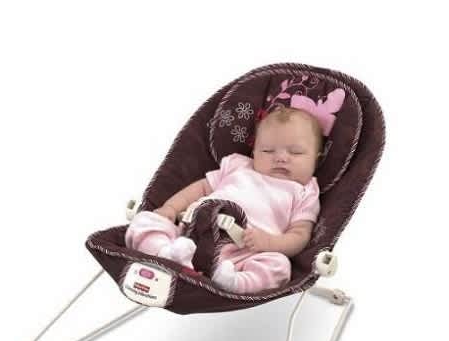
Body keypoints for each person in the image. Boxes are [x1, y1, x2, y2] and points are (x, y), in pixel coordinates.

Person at [125, 105, 324, 293]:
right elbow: (201, 188)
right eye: (268, 151)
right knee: (145, 220)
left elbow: (300, 235)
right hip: (189, 233)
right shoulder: (238, 166)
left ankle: (235, 282)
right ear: (254, 152)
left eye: (295, 152)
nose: (280, 158)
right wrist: (171, 208)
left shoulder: (305, 192)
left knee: (279, 267)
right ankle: (165, 253)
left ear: (316, 158)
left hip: (243, 255)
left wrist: (270, 243)